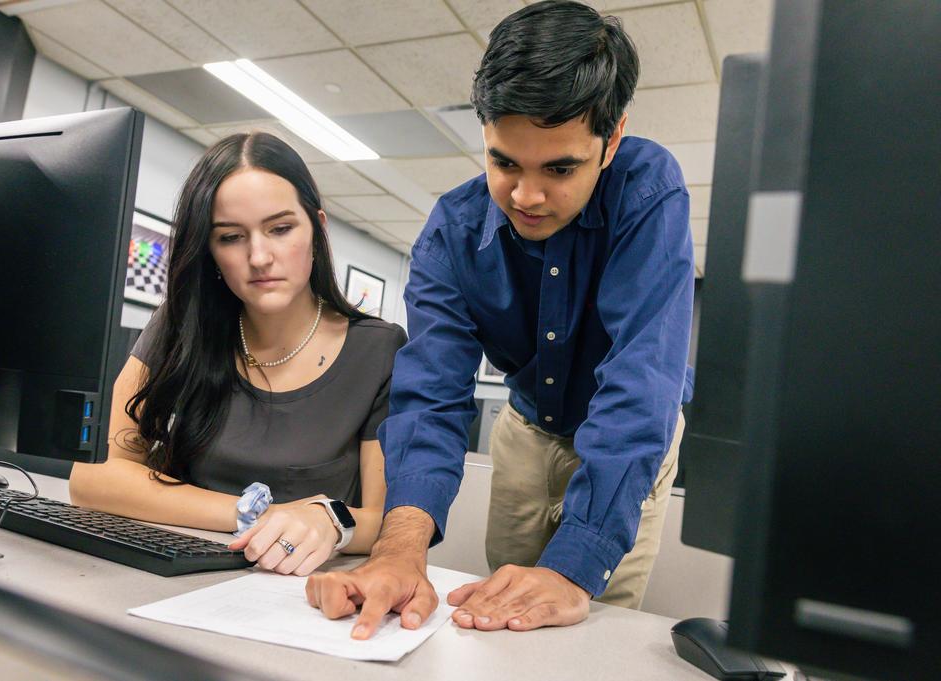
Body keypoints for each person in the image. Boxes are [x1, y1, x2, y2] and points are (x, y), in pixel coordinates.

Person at [306, 0, 693, 635]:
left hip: (630, 427)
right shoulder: (449, 234)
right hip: (526, 426)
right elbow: (431, 396)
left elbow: (642, 379)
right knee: (503, 608)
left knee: (586, 613)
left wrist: (575, 568)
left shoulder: (649, 190)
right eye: (504, 162)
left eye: (560, 168)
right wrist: (399, 549)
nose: (527, 196)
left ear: (613, 137)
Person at [69, 132, 406, 576]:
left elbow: (382, 523)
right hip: (178, 569)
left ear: (317, 229)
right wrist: (257, 513)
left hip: (299, 585)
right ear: (209, 250)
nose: (260, 256)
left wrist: (326, 517)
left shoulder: (378, 348)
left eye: (281, 229)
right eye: (230, 237)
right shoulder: (181, 323)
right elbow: (93, 478)